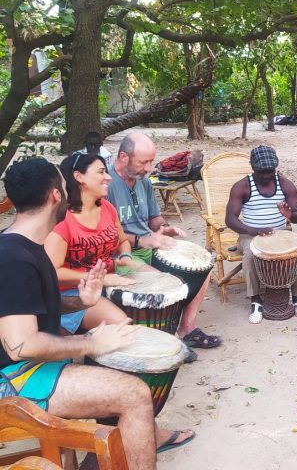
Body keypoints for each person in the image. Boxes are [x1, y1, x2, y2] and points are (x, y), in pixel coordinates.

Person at [0, 158, 194, 469]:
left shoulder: (28, 245)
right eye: (65, 188)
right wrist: (91, 344)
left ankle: (105, 457)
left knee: (116, 362)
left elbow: (32, 307)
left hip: (32, 366)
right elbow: (21, 344)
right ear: (55, 196)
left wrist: (82, 302)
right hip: (14, 378)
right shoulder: (14, 258)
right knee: (135, 394)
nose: (67, 194)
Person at [107, 133, 221, 352]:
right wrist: (143, 239)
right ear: (123, 157)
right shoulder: (107, 185)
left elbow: (154, 217)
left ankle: (187, 328)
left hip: (149, 247)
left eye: (151, 161)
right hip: (122, 255)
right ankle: (163, 339)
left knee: (202, 267)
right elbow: (108, 236)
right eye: (144, 162)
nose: (149, 168)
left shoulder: (144, 182)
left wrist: (164, 227)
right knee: (163, 281)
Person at [44, 153, 141, 335]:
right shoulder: (62, 219)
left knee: (162, 282)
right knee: (120, 323)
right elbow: (52, 272)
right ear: (79, 176)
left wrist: (126, 256)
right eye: (101, 172)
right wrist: (98, 279)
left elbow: (122, 242)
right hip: (73, 292)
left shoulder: (107, 208)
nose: (109, 177)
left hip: (109, 279)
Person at [225, 145, 297, 324]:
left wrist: (290, 215)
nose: (266, 175)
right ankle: (256, 300)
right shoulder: (242, 186)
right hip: (249, 234)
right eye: (261, 171)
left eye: (270, 171)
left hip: (280, 233)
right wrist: (251, 230)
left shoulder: (285, 184)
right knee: (250, 253)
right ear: (252, 166)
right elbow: (230, 219)